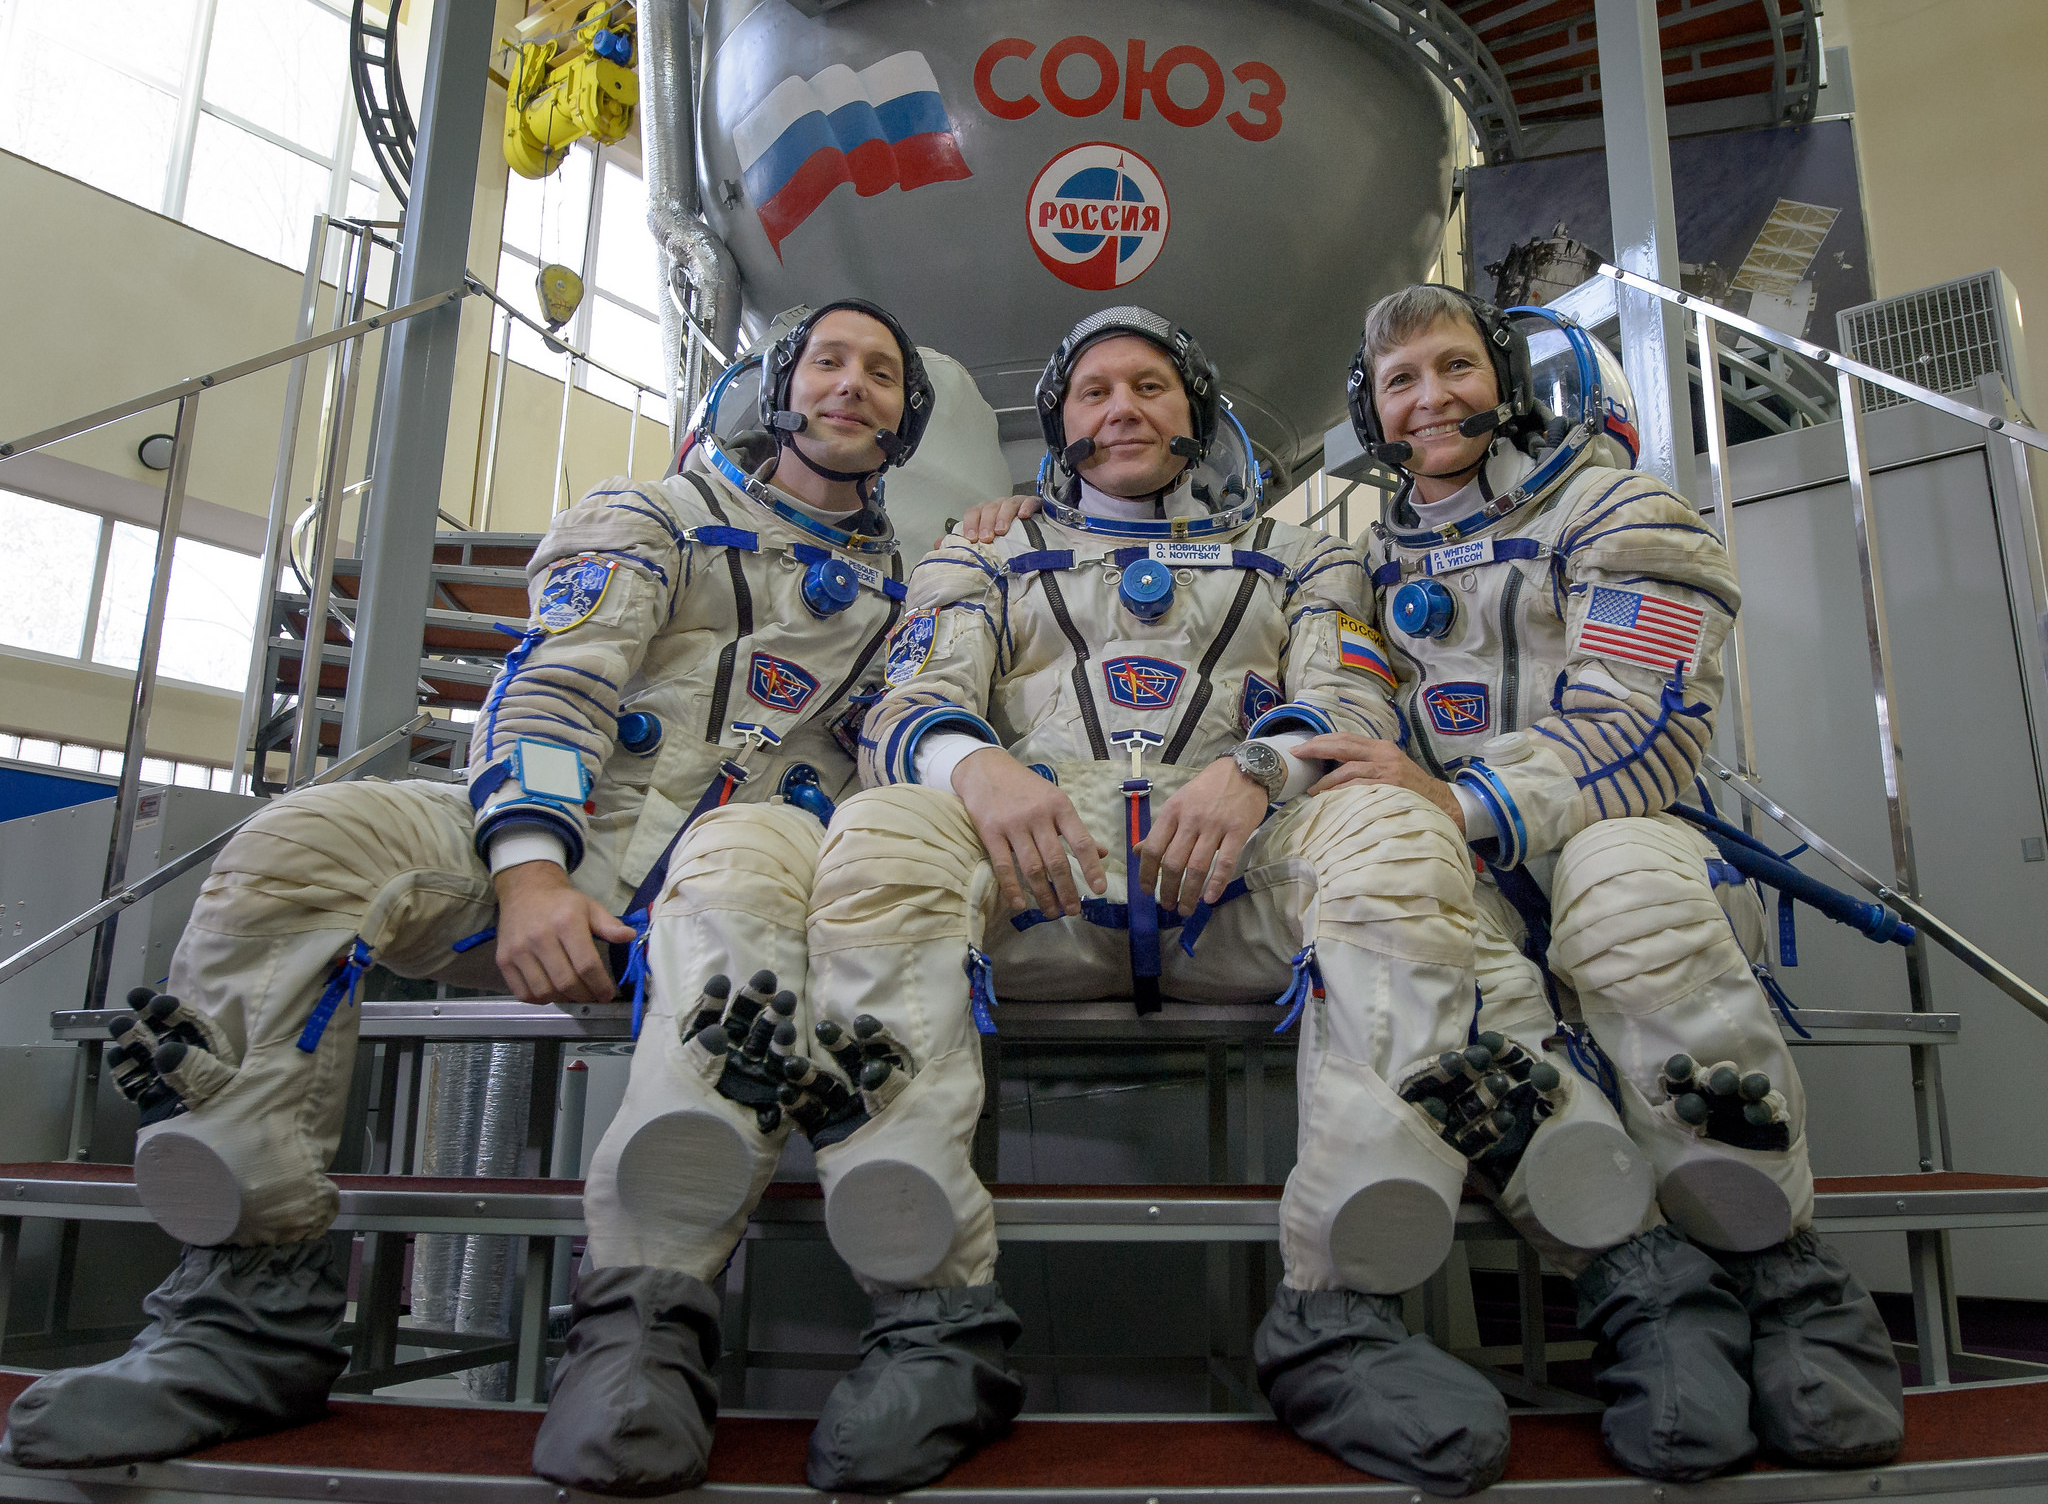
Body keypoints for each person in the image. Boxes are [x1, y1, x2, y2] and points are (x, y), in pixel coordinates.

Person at [2, 301, 936, 1492]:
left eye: (881, 374)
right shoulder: (652, 517)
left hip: (732, 870)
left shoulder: (919, 597)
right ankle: (243, 1313)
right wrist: (532, 870)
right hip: (552, 832)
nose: (850, 386)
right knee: (309, 836)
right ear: (773, 389)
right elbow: (555, 684)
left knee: (741, 892)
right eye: (825, 363)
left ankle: (644, 1328)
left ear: (908, 417)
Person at [793, 305, 1667, 1497]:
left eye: (1149, 386)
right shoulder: (977, 552)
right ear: (1058, 425)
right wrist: (975, 765)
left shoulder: (1304, 553)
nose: (1121, 410)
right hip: (1040, 882)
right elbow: (900, 704)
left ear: (1192, 415)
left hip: (1239, 881)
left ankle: (1339, 1311)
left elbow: (1353, 703)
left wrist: (1257, 767)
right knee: (883, 827)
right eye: (1094, 390)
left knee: (1395, 827)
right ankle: (928, 1316)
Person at [1328, 284, 1903, 1477]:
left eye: (1453, 367)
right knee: (1455, 1005)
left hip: (1619, 825)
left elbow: (1641, 727)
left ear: (1508, 381)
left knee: (1627, 901)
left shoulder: (1618, 508)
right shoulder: (1354, 562)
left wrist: (1469, 801)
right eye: (1399, 381)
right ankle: (1646, 1302)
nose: (1430, 397)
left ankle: (1789, 1288)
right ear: (1369, 410)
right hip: (1464, 860)